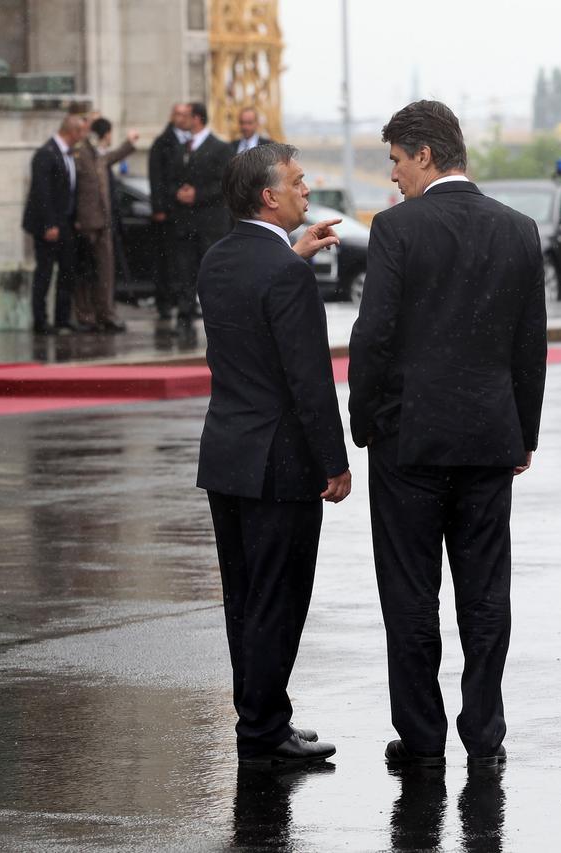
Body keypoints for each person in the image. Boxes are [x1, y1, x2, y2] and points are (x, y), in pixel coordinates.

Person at [348, 100, 547, 769]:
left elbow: (373, 336)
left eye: (397, 161)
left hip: (409, 442)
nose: (393, 175)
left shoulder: (396, 229)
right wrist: (524, 431)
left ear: (425, 155)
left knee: (410, 593)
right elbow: (530, 344)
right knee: (486, 593)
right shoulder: (517, 229)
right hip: (490, 439)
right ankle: (484, 731)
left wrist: (365, 423)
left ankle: (422, 736)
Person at [195, 143, 349, 766]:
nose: (306, 190)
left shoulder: (218, 258)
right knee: (278, 602)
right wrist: (335, 461)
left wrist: (291, 254)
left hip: (227, 454)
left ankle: (262, 719)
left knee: (244, 599)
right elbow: (308, 379)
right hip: (279, 463)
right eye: (297, 182)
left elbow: (251, 314)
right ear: (269, 196)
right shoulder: (286, 274)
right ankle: (263, 733)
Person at [169, 102, 232, 342]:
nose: (180, 120)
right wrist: (177, 192)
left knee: (213, 274)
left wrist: (198, 194)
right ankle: (184, 316)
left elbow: (224, 184)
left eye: (185, 116)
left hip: (210, 225)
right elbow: (171, 178)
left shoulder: (220, 148)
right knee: (184, 272)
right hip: (185, 224)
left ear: (197, 118)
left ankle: (219, 321)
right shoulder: (181, 147)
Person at [22, 113, 88, 335]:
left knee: (67, 271)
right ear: (73, 132)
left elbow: (71, 190)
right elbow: (42, 193)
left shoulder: (69, 154)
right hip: (48, 224)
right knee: (45, 272)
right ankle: (40, 320)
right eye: (82, 132)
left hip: (66, 222)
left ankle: (63, 319)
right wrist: (49, 224)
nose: (84, 136)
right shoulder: (46, 153)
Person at [72, 116, 137, 333]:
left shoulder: (97, 153)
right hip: (87, 225)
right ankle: (86, 315)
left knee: (105, 272)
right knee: (86, 274)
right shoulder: (81, 153)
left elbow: (112, 156)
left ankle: (105, 313)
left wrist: (129, 143)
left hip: (104, 223)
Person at [148, 103, 192, 329]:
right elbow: (156, 177)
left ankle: (184, 301)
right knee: (166, 259)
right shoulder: (162, 143)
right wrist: (159, 207)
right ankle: (164, 302)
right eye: (179, 114)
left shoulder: (191, 141)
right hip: (169, 210)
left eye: (186, 115)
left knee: (184, 261)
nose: (183, 118)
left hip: (187, 212)